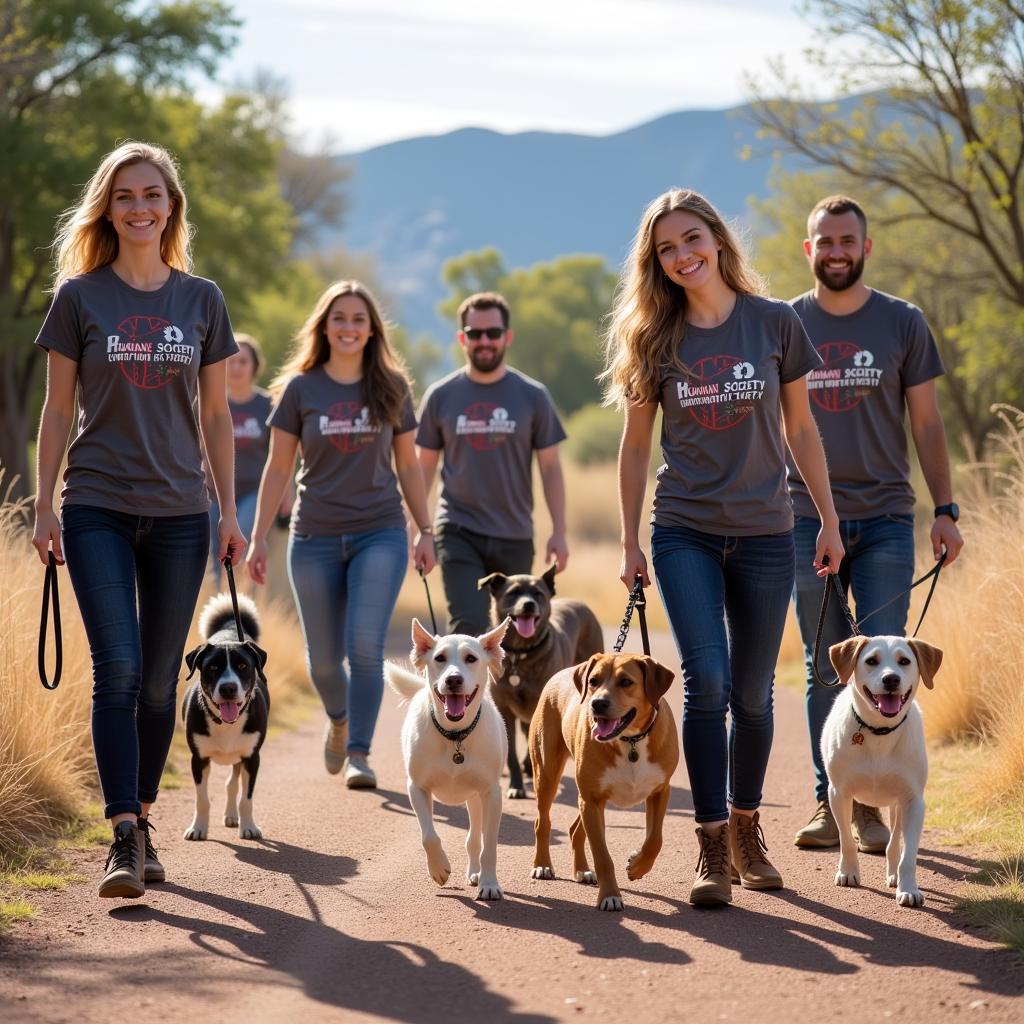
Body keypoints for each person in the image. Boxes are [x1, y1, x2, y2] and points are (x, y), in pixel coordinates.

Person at [604, 188, 844, 907]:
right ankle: (711, 844)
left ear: (716, 237)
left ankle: (746, 829)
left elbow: (803, 429)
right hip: (685, 531)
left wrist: (826, 519)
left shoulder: (776, 323)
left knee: (754, 693)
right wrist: (627, 539)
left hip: (771, 529)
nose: (682, 256)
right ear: (656, 263)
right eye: (666, 249)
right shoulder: (653, 338)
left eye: (690, 239)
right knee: (705, 683)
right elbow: (636, 444)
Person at [31, 141, 243, 899]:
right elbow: (58, 408)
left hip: (183, 512)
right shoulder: (79, 297)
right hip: (95, 505)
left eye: (153, 194)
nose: (141, 207)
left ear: (171, 207)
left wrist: (227, 508)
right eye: (126, 196)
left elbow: (216, 413)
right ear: (108, 208)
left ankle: (146, 818)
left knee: (159, 683)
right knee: (116, 672)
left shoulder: (202, 299)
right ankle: (124, 834)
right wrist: (43, 500)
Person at [789, 195, 964, 851]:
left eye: (847, 241)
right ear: (809, 250)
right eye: (824, 241)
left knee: (889, 659)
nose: (835, 251)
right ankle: (832, 803)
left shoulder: (902, 322)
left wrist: (944, 510)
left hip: (889, 514)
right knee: (824, 668)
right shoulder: (786, 325)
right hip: (805, 517)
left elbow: (927, 422)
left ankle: (882, 800)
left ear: (866, 248)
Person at [246, 280, 435, 789]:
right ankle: (339, 719)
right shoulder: (299, 389)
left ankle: (359, 753)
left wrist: (425, 529)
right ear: (324, 327)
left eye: (358, 319)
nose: (349, 328)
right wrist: (260, 536)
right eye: (339, 318)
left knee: (365, 647)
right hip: (314, 536)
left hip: (380, 532)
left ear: (372, 329)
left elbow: (410, 467)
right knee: (325, 662)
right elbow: (277, 467)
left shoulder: (392, 386)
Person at [416, 292, 568, 637]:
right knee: (468, 626)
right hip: (457, 529)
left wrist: (559, 530)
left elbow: (551, 468)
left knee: (513, 633)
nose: (484, 341)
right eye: (474, 333)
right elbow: (422, 468)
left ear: (507, 337)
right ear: (462, 339)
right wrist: (418, 530)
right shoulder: (440, 396)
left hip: (513, 533)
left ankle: (502, 694)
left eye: (493, 333)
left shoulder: (533, 395)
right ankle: (462, 694)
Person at [206, 333, 292, 582]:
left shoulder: (267, 404)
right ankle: (220, 603)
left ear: (255, 366)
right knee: (214, 555)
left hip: (254, 491)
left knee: (239, 538)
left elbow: (281, 455)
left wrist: (287, 495)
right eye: (231, 361)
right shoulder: (209, 402)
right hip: (213, 493)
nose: (236, 367)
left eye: (243, 361)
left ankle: (243, 599)